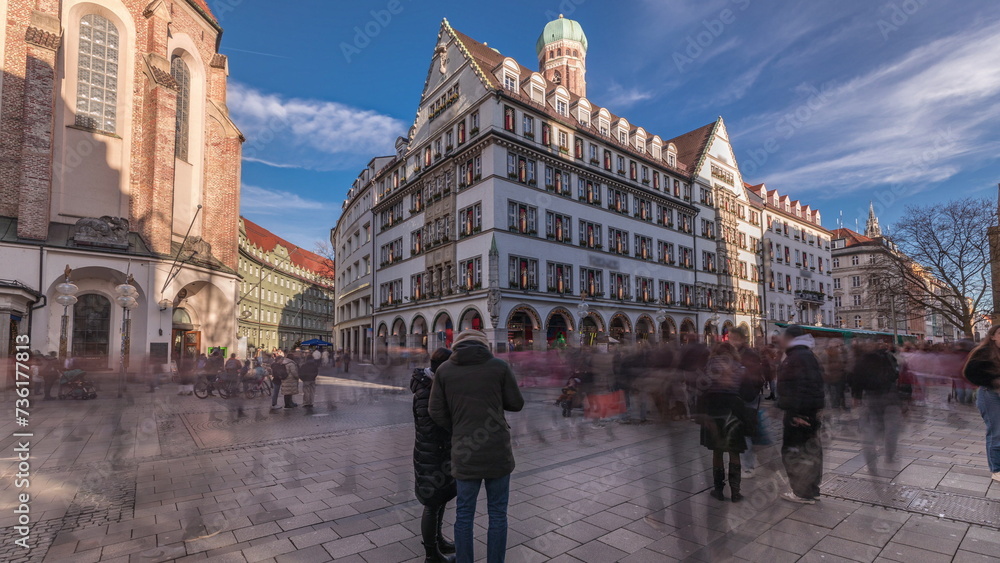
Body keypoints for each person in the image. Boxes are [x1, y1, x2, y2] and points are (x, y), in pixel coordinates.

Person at [429, 330, 524, 563]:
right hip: (497, 450)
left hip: (465, 450)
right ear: (484, 345)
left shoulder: (444, 370)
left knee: (464, 514)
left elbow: (435, 410)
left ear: (457, 345)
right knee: (498, 514)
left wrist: (457, 427)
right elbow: (516, 403)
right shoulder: (499, 367)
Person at [412, 348, 457, 563]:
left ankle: (438, 541)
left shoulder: (435, 385)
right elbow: (429, 427)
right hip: (431, 454)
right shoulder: (426, 391)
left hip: (439, 452)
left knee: (441, 498)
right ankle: (431, 555)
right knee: (431, 504)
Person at [776, 325, 826, 504]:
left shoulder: (795, 358)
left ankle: (802, 492)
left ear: (790, 338)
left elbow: (796, 387)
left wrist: (796, 413)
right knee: (810, 450)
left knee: (794, 451)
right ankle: (812, 490)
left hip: (799, 413)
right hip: (809, 410)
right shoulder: (808, 355)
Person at [698, 343, 753, 502]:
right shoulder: (740, 368)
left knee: (717, 451)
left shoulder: (708, 368)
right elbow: (749, 394)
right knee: (734, 451)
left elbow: (701, 391)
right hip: (733, 411)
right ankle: (735, 492)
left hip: (713, 410)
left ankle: (719, 490)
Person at [849, 342, 903, 474]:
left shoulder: (862, 360)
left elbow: (855, 379)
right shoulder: (888, 357)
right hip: (890, 397)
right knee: (892, 430)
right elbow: (896, 374)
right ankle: (889, 456)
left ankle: (871, 462)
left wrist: (856, 396)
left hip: (871, 398)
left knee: (870, 429)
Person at [963, 324, 1000, 482]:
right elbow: (970, 373)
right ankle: (996, 469)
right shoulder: (984, 352)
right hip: (990, 394)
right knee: (996, 432)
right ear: (992, 336)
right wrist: (993, 381)